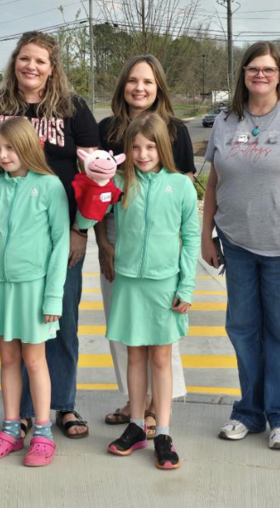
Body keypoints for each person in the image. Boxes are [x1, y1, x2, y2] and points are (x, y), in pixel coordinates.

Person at [0, 31, 98, 439]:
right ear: (14, 61)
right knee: (17, 332)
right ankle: (21, 412)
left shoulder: (73, 108)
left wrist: (80, 231)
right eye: (24, 58)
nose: (31, 67)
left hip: (58, 232)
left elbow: (93, 175)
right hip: (7, 231)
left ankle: (63, 405)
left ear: (52, 66)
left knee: (59, 319)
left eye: (40, 60)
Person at [201, 41, 280, 450]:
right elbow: (214, 181)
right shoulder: (225, 120)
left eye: (268, 69)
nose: (260, 75)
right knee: (243, 330)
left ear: (279, 74)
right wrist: (207, 235)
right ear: (244, 74)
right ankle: (248, 412)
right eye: (254, 68)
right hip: (236, 244)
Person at [76, 114, 199, 469]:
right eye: (135, 147)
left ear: (163, 147)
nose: (143, 154)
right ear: (125, 150)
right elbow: (87, 221)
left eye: (150, 146)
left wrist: (186, 286)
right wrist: (95, 188)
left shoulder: (181, 185)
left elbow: (190, 239)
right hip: (128, 281)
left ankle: (162, 431)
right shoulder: (118, 181)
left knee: (161, 357)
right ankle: (134, 426)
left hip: (164, 284)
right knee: (133, 356)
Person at [96, 55, 194, 435]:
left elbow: (180, 198)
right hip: (120, 236)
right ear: (123, 85)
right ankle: (134, 402)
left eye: (148, 82)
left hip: (160, 242)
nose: (140, 88)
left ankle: (157, 405)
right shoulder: (106, 129)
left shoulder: (174, 130)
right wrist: (103, 245)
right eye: (133, 80)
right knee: (125, 328)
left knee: (160, 334)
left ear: (159, 88)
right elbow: (100, 195)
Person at [0, 118, 70, 467]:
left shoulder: (49, 186)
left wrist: (53, 296)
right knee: (8, 359)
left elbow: (61, 244)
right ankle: (11, 429)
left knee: (34, 360)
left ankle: (42, 432)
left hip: (34, 288)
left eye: (10, 148)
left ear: (27, 146)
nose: (2, 155)